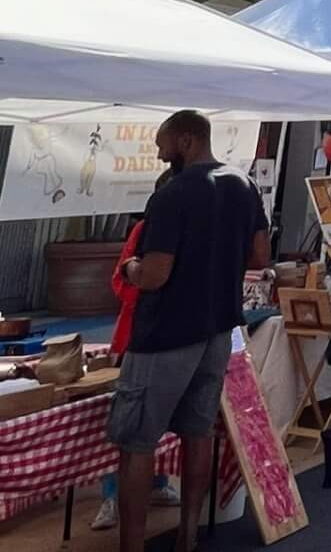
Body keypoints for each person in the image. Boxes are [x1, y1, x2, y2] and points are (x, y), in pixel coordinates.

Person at [109, 111, 268, 552]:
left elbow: (156, 274)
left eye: (163, 145)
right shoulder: (244, 185)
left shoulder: (172, 194)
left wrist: (130, 266)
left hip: (165, 333)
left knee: (138, 441)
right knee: (198, 432)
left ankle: (132, 546)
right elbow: (259, 257)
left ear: (186, 140)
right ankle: (188, 535)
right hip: (218, 329)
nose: (161, 155)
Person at [95, 178, 183, 533]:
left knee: (160, 417)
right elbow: (121, 279)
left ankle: (159, 483)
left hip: (173, 337)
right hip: (136, 334)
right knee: (127, 420)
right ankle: (111, 495)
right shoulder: (145, 230)